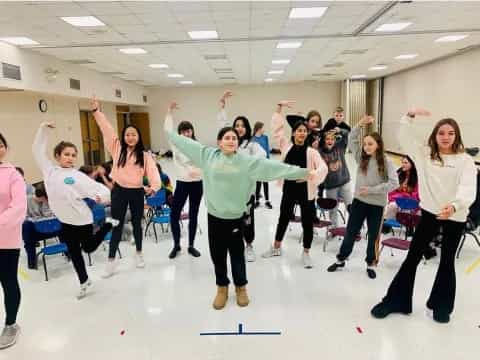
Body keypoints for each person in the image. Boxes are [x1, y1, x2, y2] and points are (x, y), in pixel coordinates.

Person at [165, 122, 314, 310]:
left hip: (235, 218)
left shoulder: (246, 161)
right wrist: (169, 132)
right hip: (215, 217)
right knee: (217, 255)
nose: (231, 140)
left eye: (234, 138)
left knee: (236, 255)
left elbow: (273, 168)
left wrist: (304, 172)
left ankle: (241, 287)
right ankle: (222, 288)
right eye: (227, 137)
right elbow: (185, 143)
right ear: (219, 142)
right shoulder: (207, 156)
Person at [371, 109, 477, 324]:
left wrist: (455, 206)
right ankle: (396, 301)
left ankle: (440, 306)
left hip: (455, 216)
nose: (446, 137)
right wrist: (408, 117)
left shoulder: (464, 160)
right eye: (441, 133)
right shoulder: (425, 155)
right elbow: (404, 137)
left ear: (456, 136)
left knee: (446, 261)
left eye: (450, 133)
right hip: (430, 213)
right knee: (413, 257)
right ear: (434, 135)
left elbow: (468, 188)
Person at [32, 122, 118, 299]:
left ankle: (108, 224)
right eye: (66, 154)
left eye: (73, 155)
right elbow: (37, 151)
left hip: (83, 220)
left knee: (88, 248)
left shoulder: (78, 177)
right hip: (65, 222)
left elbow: (102, 190)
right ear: (57, 156)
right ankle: (84, 281)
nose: (70, 158)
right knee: (75, 254)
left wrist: (101, 197)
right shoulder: (50, 172)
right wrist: (43, 129)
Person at [91, 97, 161, 277]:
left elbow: (153, 173)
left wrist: (153, 187)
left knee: (137, 223)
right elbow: (106, 129)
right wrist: (97, 112)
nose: (130, 137)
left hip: (137, 192)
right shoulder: (117, 148)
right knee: (117, 224)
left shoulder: (145, 156)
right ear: (123, 136)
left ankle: (138, 253)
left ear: (138, 137)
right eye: (127, 134)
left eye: (134, 135)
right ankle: (111, 261)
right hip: (119, 191)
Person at [327, 115, 398, 279]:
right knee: (350, 232)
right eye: (365, 144)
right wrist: (359, 124)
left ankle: (370, 263)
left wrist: (372, 190)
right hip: (359, 202)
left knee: (373, 236)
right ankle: (341, 259)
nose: (366, 147)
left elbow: (394, 183)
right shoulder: (361, 157)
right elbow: (351, 138)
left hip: (377, 205)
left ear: (378, 145)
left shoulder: (386, 162)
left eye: (370, 144)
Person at [262, 101, 328, 268]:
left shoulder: (312, 152)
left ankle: (306, 252)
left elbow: (323, 168)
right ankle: (276, 247)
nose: (302, 133)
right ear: (293, 133)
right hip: (289, 189)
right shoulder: (286, 146)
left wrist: (310, 175)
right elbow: (277, 130)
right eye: (299, 131)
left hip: (306, 191)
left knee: (307, 222)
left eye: (305, 131)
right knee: (284, 217)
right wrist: (278, 108)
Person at [217, 91, 266, 262]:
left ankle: (249, 245)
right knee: (231, 221)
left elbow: (262, 156)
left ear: (247, 128)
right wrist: (222, 107)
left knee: (247, 220)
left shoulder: (251, 145)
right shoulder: (230, 145)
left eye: (242, 125)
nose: (239, 128)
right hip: (229, 193)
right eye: (236, 125)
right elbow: (222, 126)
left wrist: (247, 165)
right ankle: (233, 246)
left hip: (246, 193)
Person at [164, 102, 203, 259]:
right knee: (174, 215)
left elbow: (204, 163)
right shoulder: (176, 144)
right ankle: (176, 245)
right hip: (182, 184)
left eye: (188, 131)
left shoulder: (197, 145)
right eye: (183, 131)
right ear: (179, 133)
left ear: (192, 132)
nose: (186, 133)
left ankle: (191, 245)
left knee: (194, 215)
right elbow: (168, 131)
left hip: (197, 185)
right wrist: (169, 112)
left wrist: (198, 172)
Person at [0, 132, 27, 349]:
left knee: (8, 281)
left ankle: (11, 324)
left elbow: (18, 207)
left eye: (0, 145)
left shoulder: (13, 175)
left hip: (6, 240)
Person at [319, 129, 353, 227]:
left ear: (335, 140)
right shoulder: (320, 152)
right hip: (330, 186)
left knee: (350, 206)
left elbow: (347, 134)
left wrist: (339, 130)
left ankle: (354, 229)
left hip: (344, 182)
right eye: (327, 139)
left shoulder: (340, 146)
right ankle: (334, 228)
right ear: (324, 140)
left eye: (332, 139)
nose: (330, 141)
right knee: (332, 209)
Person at [22, 182, 55, 269]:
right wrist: (37, 220)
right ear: (43, 196)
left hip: (48, 227)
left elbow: (49, 215)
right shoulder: (26, 200)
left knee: (63, 225)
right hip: (34, 230)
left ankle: (69, 253)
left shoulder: (47, 201)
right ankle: (32, 262)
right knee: (26, 226)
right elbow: (24, 217)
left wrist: (45, 203)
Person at [252, 121, 273, 209]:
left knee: (265, 182)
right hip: (257, 164)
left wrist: (268, 162)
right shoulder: (252, 139)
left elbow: (267, 150)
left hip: (265, 163)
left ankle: (267, 201)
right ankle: (257, 201)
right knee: (258, 183)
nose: (264, 129)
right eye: (263, 127)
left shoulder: (265, 137)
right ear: (259, 128)